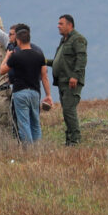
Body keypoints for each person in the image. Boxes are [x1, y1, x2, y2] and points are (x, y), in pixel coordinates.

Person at [0, 24, 52, 145]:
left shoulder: (15, 56)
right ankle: (38, 148)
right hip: (35, 92)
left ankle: (29, 150)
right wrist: (48, 95)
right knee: (35, 123)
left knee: (24, 123)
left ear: (18, 40)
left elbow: (2, 70)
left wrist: (7, 56)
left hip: (20, 92)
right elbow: (44, 76)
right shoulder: (39, 55)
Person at [47, 13, 87, 146]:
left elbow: (81, 59)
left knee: (69, 110)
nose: (58, 26)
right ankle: (69, 140)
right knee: (66, 111)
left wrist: (75, 76)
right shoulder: (64, 41)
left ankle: (75, 140)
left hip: (71, 82)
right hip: (62, 82)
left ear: (70, 25)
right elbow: (60, 61)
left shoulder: (78, 39)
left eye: (61, 24)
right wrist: (44, 61)